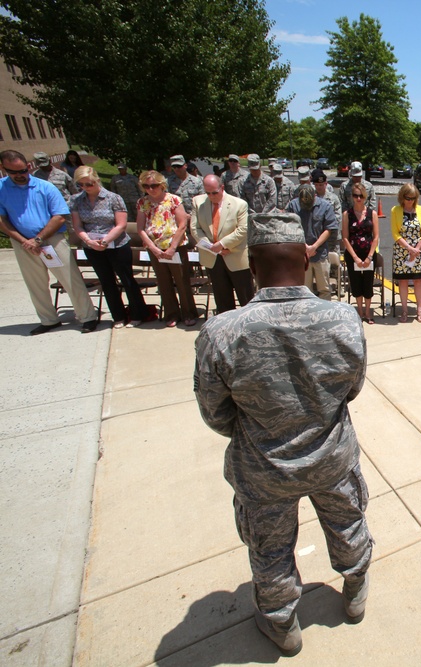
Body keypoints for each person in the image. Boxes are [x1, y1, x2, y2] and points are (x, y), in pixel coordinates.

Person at [193, 214, 373, 656]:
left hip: (263, 467)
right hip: (331, 457)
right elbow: (352, 388)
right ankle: (354, 593)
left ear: (252, 266)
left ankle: (283, 625)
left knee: (270, 549)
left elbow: (215, 413)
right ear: (306, 256)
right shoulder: (343, 318)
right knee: (348, 523)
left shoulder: (223, 331)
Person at [0, 149, 98, 334]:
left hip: (51, 239)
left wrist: (38, 239)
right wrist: (24, 241)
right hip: (22, 242)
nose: (20, 176)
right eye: (14, 172)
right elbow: (2, 220)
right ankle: (48, 320)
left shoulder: (45, 187)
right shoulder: (1, 188)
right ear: (3, 169)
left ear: (29, 167)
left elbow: (60, 216)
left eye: (23, 171)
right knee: (35, 283)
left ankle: (87, 317)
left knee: (70, 279)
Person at [70, 166, 151, 328]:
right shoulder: (76, 200)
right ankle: (118, 316)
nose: (86, 188)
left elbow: (121, 224)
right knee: (106, 282)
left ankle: (137, 314)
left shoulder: (113, 198)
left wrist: (106, 241)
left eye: (89, 184)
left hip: (117, 244)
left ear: (97, 180)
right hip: (92, 246)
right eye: (82, 185)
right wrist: (89, 241)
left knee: (127, 280)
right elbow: (78, 226)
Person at [136, 169, 198, 326]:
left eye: (154, 185)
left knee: (182, 281)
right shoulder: (142, 203)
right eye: (146, 186)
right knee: (163, 282)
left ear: (162, 184)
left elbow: (183, 224)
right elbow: (140, 229)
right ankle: (171, 314)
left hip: (175, 247)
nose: (150, 189)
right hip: (155, 249)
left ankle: (188, 313)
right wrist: (153, 248)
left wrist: (172, 247)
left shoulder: (174, 200)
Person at [190, 174, 254, 314]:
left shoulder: (239, 204)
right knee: (222, 298)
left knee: (246, 298)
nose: (211, 196)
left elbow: (243, 230)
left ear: (222, 188)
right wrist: (213, 248)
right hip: (212, 257)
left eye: (214, 193)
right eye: (207, 193)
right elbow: (195, 229)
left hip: (235, 256)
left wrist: (222, 244)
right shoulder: (198, 202)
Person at [286, 185, 337, 301]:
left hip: (320, 254)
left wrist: (314, 247)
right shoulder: (293, 205)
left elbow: (329, 229)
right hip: (301, 255)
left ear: (315, 196)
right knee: (304, 290)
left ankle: (324, 316)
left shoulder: (325, 206)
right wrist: (304, 247)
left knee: (324, 289)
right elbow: (289, 227)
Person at [390, 183, 421, 322]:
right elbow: (395, 233)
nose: (410, 201)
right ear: (402, 197)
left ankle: (419, 309)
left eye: (413, 198)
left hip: (419, 251)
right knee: (403, 281)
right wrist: (409, 248)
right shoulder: (395, 210)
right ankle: (405, 310)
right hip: (402, 251)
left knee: (419, 280)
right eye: (407, 198)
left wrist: (416, 249)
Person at [343, 181, 379, 324]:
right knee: (356, 282)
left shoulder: (372, 214)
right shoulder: (347, 214)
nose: (358, 199)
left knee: (368, 283)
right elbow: (345, 237)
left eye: (361, 196)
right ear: (352, 197)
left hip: (368, 254)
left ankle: (368, 311)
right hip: (353, 255)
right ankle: (359, 310)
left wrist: (370, 256)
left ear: (365, 197)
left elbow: (376, 237)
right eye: (355, 196)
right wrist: (355, 258)